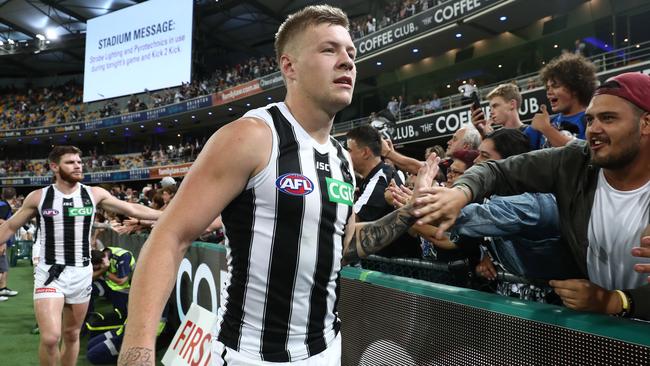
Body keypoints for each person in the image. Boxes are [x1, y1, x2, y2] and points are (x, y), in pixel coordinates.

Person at [119, 5, 439, 366]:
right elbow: (170, 236)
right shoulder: (252, 136)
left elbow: (345, 243)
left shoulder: (340, 159)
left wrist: (410, 212)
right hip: (251, 356)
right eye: (329, 49)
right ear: (290, 67)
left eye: (351, 53)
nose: (348, 61)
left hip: (327, 349)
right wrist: (139, 348)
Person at [414, 72, 650, 320]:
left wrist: (617, 301)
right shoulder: (576, 161)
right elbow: (497, 171)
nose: (594, 129)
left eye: (609, 118)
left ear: (645, 123)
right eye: (590, 120)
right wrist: (460, 193)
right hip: (604, 328)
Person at [0, 145, 162, 366]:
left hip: (81, 273)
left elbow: (132, 208)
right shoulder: (39, 197)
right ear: (55, 167)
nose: (78, 166)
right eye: (71, 162)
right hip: (50, 273)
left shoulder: (94, 194)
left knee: (72, 335)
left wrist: (166, 215)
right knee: (50, 338)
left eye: (79, 161)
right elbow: (10, 227)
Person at [528, 52, 597, 149]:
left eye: (555, 86)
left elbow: (586, 154)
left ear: (575, 88)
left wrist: (546, 129)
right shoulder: (547, 121)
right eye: (547, 88)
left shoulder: (591, 121)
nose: (549, 92)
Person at [90, 247, 135, 317]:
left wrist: (105, 271)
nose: (94, 269)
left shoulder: (123, 257)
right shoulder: (101, 253)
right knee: (87, 289)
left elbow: (121, 281)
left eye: (95, 268)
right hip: (108, 285)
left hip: (123, 289)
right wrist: (103, 270)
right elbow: (89, 277)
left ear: (102, 262)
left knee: (121, 314)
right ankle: (89, 317)